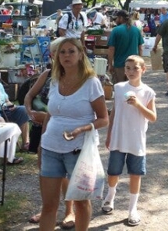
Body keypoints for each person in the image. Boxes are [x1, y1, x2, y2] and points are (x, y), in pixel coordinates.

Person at [38, 37, 108, 231]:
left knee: (80, 202)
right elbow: (50, 115)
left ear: (80, 54)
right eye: (62, 52)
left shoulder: (91, 82)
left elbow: (104, 118)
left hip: (78, 150)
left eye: (71, 51)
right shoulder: (54, 80)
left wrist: (82, 129)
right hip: (50, 148)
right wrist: (41, 143)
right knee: (49, 205)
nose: (66, 56)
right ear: (56, 56)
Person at [23, 37, 76, 228]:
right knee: (45, 172)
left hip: (63, 131)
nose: (62, 56)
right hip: (42, 129)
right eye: (58, 52)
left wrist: (47, 114)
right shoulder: (47, 74)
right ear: (53, 55)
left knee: (65, 174)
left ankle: (69, 211)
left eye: (68, 52)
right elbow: (29, 96)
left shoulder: (76, 77)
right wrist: (30, 112)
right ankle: (47, 208)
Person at [101, 55, 157, 227]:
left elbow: (153, 117)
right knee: (113, 171)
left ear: (143, 70)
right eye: (128, 68)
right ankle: (110, 195)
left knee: (135, 173)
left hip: (136, 140)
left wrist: (138, 105)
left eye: (135, 68)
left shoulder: (148, 92)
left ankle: (132, 208)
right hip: (118, 137)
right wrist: (109, 134)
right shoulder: (118, 88)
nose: (131, 72)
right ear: (124, 70)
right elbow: (114, 113)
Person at [0, 70, 30, 153]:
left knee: (23, 110)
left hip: (5, 109)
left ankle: (26, 144)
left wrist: (12, 105)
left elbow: (6, 100)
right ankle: (5, 152)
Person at [108, 10, 144, 84]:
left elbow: (111, 49)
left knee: (119, 87)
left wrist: (110, 64)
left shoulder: (116, 30)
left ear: (121, 18)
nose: (116, 20)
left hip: (119, 65)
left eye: (117, 18)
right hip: (133, 65)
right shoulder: (136, 30)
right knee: (132, 87)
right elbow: (140, 48)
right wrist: (140, 63)